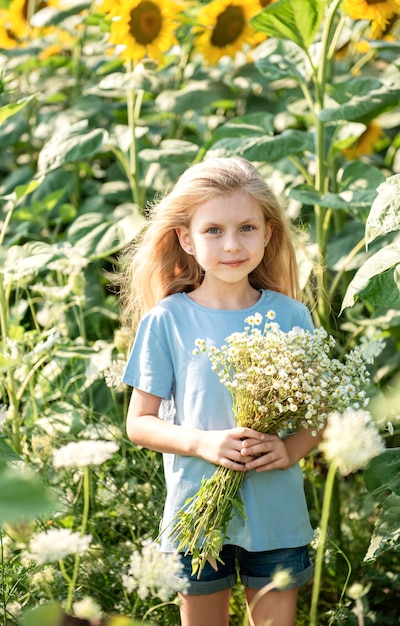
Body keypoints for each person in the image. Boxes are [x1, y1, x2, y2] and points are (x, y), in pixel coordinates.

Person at [119, 156, 323, 626]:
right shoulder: (166, 320)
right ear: (185, 239)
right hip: (196, 516)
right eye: (213, 230)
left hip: (276, 518)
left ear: (269, 233)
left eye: (247, 227)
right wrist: (202, 442)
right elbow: (139, 423)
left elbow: (320, 417)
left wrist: (289, 449)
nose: (232, 245)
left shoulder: (291, 316)